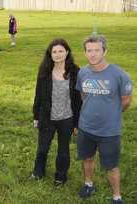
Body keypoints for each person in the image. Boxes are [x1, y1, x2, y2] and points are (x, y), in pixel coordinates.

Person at [76, 35, 132, 204]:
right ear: (85, 53)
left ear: (105, 51)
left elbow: (126, 100)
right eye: (89, 50)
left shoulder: (119, 75)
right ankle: (88, 184)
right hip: (86, 127)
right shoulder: (83, 72)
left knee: (111, 166)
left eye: (97, 50)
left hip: (109, 131)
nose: (92, 54)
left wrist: (111, 114)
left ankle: (117, 196)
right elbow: (83, 95)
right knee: (87, 158)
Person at [31, 38, 82, 186]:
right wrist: (36, 116)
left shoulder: (75, 71)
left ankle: (60, 176)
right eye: (54, 51)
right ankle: (38, 172)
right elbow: (38, 95)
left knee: (63, 151)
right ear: (50, 54)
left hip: (67, 119)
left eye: (61, 51)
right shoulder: (45, 70)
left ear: (67, 52)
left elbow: (78, 100)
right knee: (42, 149)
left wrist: (77, 123)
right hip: (47, 118)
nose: (58, 54)